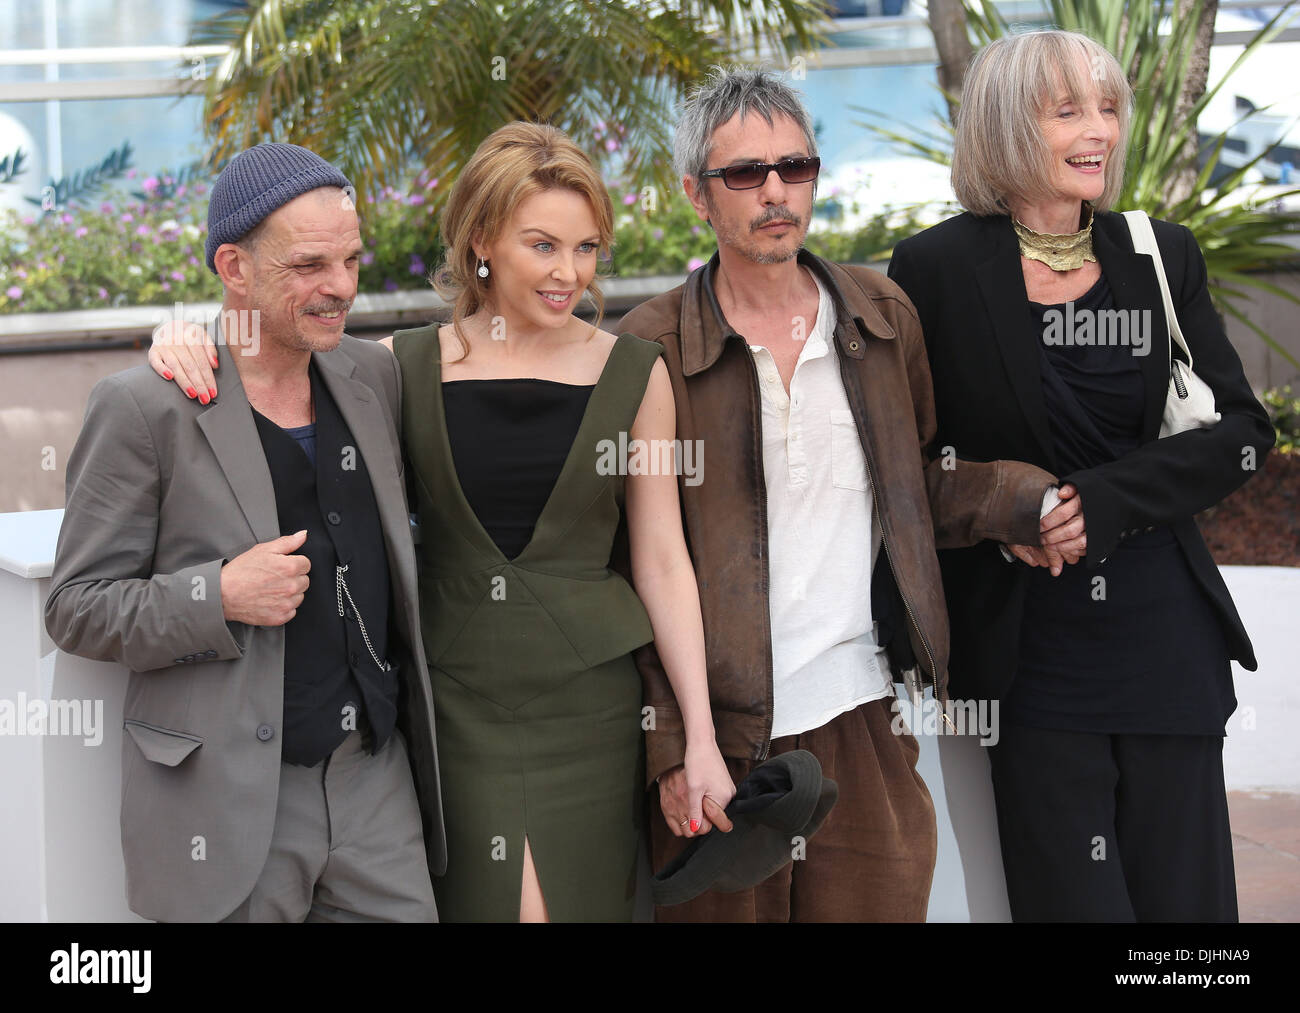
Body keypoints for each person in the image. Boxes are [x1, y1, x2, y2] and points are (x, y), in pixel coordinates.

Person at [150, 123, 736, 923]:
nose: (570, 272)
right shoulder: (396, 368)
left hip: (591, 712)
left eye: (588, 247)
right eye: (543, 245)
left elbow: (663, 560)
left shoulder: (636, 373)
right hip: (454, 711)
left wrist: (698, 738)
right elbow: (271, 354)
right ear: (484, 240)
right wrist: (184, 332)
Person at [618, 66, 1056, 922]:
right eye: (745, 173)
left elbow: (917, 481)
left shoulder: (880, 316)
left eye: (796, 166)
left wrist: (1022, 501)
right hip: (724, 736)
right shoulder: (653, 343)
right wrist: (674, 742)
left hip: (864, 713)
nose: (776, 191)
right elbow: (635, 560)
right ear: (695, 196)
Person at [887, 30, 1275, 921]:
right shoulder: (934, 271)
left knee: (1189, 917)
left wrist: (1095, 502)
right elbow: (907, 467)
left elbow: (1246, 433)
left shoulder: (1161, 254)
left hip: (1165, 640)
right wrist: (1011, 506)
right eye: (1068, 111)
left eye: (1107, 107)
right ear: (1006, 128)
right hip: (1031, 657)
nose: (1098, 129)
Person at [46, 142, 446, 922]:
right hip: (225, 804)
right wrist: (217, 594)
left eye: (352, 261)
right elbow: (76, 606)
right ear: (233, 266)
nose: (341, 288)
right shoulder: (144, 407)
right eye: (308, 266)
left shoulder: (375, 376)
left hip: (375, 784)